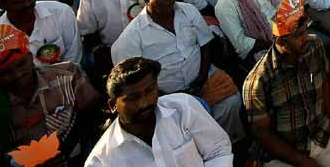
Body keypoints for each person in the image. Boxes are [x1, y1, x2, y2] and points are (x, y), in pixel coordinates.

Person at [112, 0, 246, 143]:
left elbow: (205, 45)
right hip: (165, 96)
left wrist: (202, 76)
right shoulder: (130, 38)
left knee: (232, 101)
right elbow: (133, 83)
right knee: (179, 127)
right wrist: (176, 96)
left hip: (200, 80)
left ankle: (228, 145)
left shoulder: (188, 11)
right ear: (147, 0)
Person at [242, 0, 330, 167]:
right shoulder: (257, 81)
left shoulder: (314, 47)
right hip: (285, 152)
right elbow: (262, 134)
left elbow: (324, 86)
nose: (306, 37)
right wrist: (302, 161)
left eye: (306, 30)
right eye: (298, 35)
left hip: (320, 133)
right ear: (280, 41)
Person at [0, 24, 101, 165]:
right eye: (5, 73)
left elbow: (93, 115)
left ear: (30, 57)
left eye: (20, 65)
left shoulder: (68, 76)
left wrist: (68, 150)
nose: (17, 75)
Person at [86, 57, 234, 167]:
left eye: (150, 91)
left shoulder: (183, 107)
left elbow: (219, 151)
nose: (144, 103)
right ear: (113, 105)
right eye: (133, 98)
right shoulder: (101, 160)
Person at [0, 0, 83, 68]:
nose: (27, 4)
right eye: (18, 2)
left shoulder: (61, 12)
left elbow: (74, 54)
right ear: (2, 6)